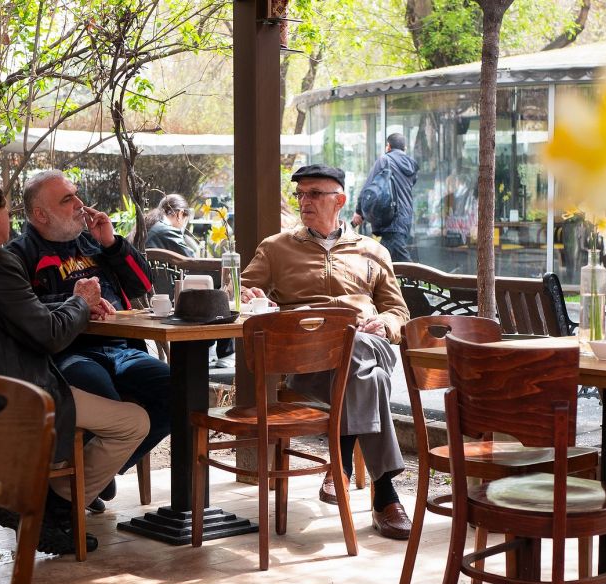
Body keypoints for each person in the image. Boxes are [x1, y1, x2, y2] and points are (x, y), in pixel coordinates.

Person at [0, 171, 148, 555]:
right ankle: (52, 505)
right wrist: (79, 301)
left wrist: (73, 303)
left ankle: (42, 502)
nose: (9, 216)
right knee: (133, 421)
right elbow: (49, 335)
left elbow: (17, 310)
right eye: (6, 209)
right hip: (16, 397)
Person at [240, 164, 412, 540]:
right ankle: (383, 492)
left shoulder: (373, 251)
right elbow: (239, 291)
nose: (305, 201)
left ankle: (341, 466)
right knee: (372, 378)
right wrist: (247, 294)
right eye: (300, 194)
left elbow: (399, 312)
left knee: (358, 346)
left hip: (369, 343)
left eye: (315, 193)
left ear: (340, 200)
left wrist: (385, 323)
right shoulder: (275, 248)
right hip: (307, 358)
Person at [6, 169, 171, 514]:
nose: (80, 204)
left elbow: (143, 285)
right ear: (40, 215)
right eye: (67, 199)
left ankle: (98, 471)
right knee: (100, 391)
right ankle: (87, 480)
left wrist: (112, 243)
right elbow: (25, 313)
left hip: (122, 349)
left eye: (77, 194)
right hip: (70, 354)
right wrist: (78, 304)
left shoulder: (94, 242)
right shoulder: (20, 254)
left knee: (179, 390)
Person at [142, 193, 234, 367]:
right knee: (221, 287)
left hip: (153, 293)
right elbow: (192, 261)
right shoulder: (166, 230)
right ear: (180, 214)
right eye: (185, 219)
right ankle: (225, 351)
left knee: (210, 285)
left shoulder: (149, 228)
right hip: (176, 295)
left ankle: (208, 346)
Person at [351, 132, 419, 262]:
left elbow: (369, 188)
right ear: (404, 148)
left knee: (397, 259)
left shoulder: (385, 160)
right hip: (406, 217)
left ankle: (418, 275)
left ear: (388, 146)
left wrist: (359, 211)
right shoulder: (412, 165)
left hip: (390, 217)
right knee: (383, 258)